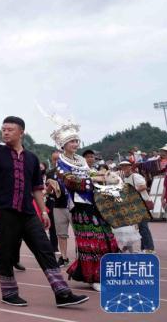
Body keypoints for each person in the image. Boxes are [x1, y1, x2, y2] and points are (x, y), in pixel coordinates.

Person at [0, 116, 88, 308]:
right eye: (3, 129)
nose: (5, 132)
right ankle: (9, 293)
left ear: (21, 132)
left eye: (10, 129)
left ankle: (62, 293)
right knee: (6, 252)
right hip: (5, 210)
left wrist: (44, 212)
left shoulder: (32, 158)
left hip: (28, 212)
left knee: (45, 249)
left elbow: (37, 188)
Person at [51, 120, 118, 292]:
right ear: (64, 144)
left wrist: (106, 174)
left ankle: (106, 274)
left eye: (76, 141)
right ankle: (93, 277)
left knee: (105, 237)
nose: (75, 144)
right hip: (80, 208)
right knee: (90, 241)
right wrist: (93, 179)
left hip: (94, 203)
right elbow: (69, 181)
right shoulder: (61, 163)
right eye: (71, 141)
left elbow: (91, 172)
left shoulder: (81, 160)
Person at [119, 161, 155, 253]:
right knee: (141, 227)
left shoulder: (136, 176)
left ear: (130, 167)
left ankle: (149, 248)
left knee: (143, 227)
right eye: (122, 167)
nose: (124, 168)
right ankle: (145, 248)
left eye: (126, 166)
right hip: (134, 205)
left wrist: (132, 192)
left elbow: (144, 186)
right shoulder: (124, 178)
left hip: (141, 204)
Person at [46, 150, 71, 267]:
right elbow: (48, 191)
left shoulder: (71, 170)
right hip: (58, 206)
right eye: (54, 159)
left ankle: (82, 257)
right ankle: (64, 257)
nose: (56, 161)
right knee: (61, 234)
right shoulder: (50, 173)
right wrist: (50, 187)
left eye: (58, 159)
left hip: (73, 206)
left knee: (79, 233)